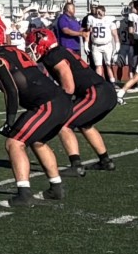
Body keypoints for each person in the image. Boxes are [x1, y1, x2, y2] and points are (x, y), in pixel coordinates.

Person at [0, 34, 72, 206]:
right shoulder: (13, 50)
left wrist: (9, 121)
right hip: (61, 101)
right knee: (37, 141)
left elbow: (11, 91)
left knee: (14, 143)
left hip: (47, 103)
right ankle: (56, 188)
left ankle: (24, 195)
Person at [37, 34, 118, 172]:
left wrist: (62, 102)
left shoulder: (53, 55)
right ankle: (105, 161)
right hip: (105, 91)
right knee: (85, 124)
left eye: (34, 43)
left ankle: (76, 165)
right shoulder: (60, 51)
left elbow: (69, 86)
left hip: (95, 92)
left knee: (63, 123)